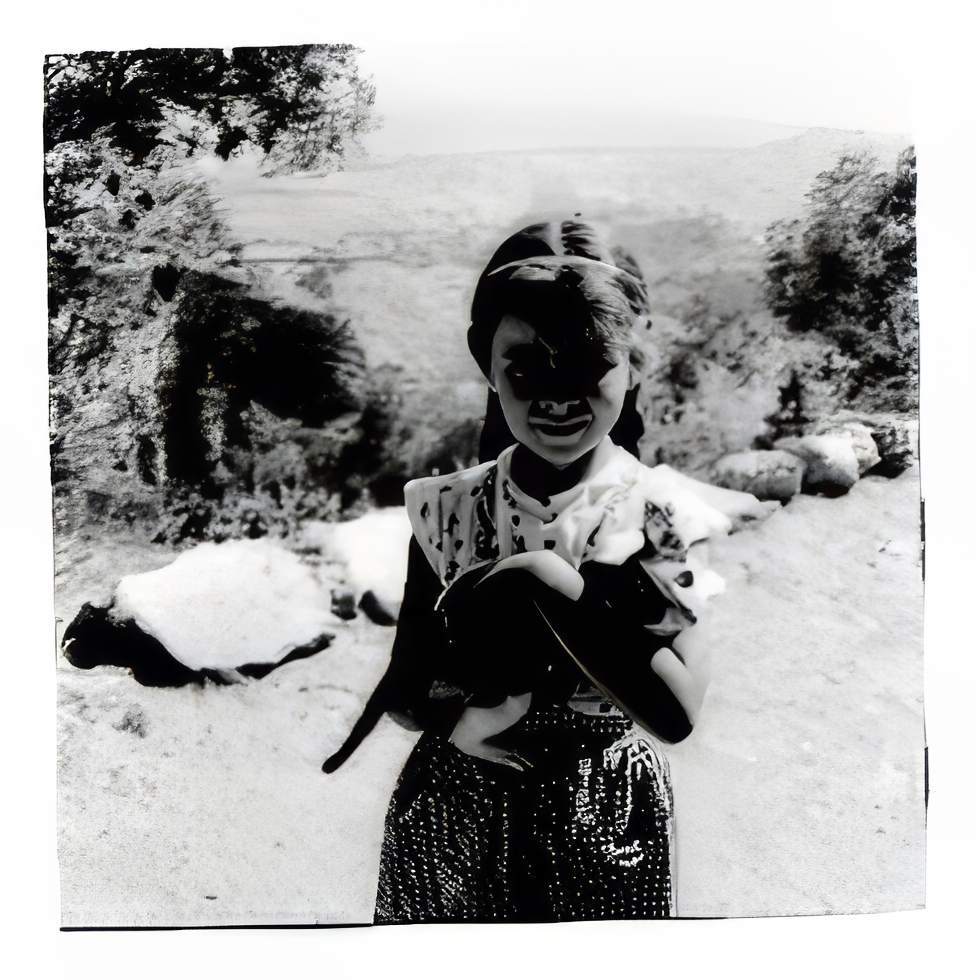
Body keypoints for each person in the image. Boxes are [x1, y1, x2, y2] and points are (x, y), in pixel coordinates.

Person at [323, 218, 773, 923]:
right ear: (486, 361)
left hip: (604, 811)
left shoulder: (660, 515)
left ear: (636, 361)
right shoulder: (445, 508)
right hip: (455, 805)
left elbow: (675, 714)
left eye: (587, 364)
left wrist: (539, 576)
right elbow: (408, 686)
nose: (557, 398)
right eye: (526, 368)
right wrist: (461, 716)